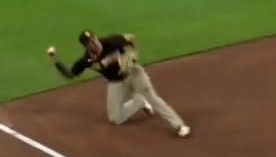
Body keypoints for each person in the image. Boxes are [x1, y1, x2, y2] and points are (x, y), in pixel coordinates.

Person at [47, 30, 191, 137]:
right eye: (90, 43)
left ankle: (179, 125)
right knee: (115, 119)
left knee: (153, 98)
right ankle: (139, 101)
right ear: (86, 46)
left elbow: (131, 38)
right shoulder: (86, 61)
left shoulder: (111, 42)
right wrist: (55, 61)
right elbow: (70, 75)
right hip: (116, 82)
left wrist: (131, 57)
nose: (94, 43)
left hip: (134, 74)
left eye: (94, 39)